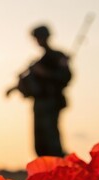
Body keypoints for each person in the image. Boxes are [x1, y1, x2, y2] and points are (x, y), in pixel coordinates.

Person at [8, 25, 72, 157]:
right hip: (39, 104)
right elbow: (28, 82)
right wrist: (14, 88)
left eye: (39, 37)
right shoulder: (38, 62)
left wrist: (45, 73)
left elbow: (65, 77)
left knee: (51, 140)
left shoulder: (56, 57)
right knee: (40, 143)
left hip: (51, 103)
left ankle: (58, 167)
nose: (38, 40)